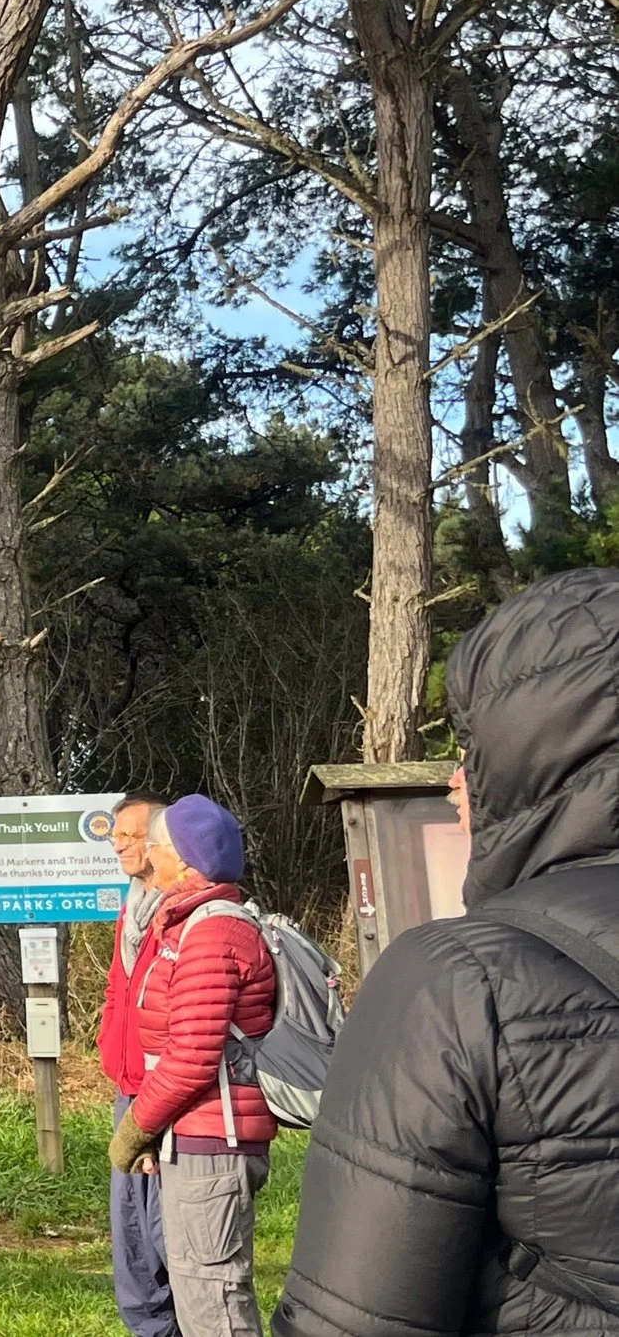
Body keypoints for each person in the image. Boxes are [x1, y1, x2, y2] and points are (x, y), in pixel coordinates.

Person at [275, 567, 619, 1335]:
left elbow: (355, 1318)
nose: (458, 782)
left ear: (532, 752)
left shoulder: (461, 981)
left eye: (472, 747)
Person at [107, 796, 277, 1337]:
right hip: (194, 1132)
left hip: (213, 1141)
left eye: (154, 845)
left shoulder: (212, 933)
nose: (147, 856)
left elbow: (192, 1058)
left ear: (184, 860)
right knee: (198, 1289)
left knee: (214, 1304)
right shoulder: (187, 925)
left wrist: (138, 1127)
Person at [98, 793, 179, 1337]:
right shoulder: (132, 905)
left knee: (168, 1235)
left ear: (159, 841)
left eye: (129, 836)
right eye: (115, 837)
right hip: (129, 1092)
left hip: (171, 1100)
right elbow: (117, 990)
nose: (119, 846)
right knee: (131, 1238)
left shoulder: (183, 912)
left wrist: (156, 1104)